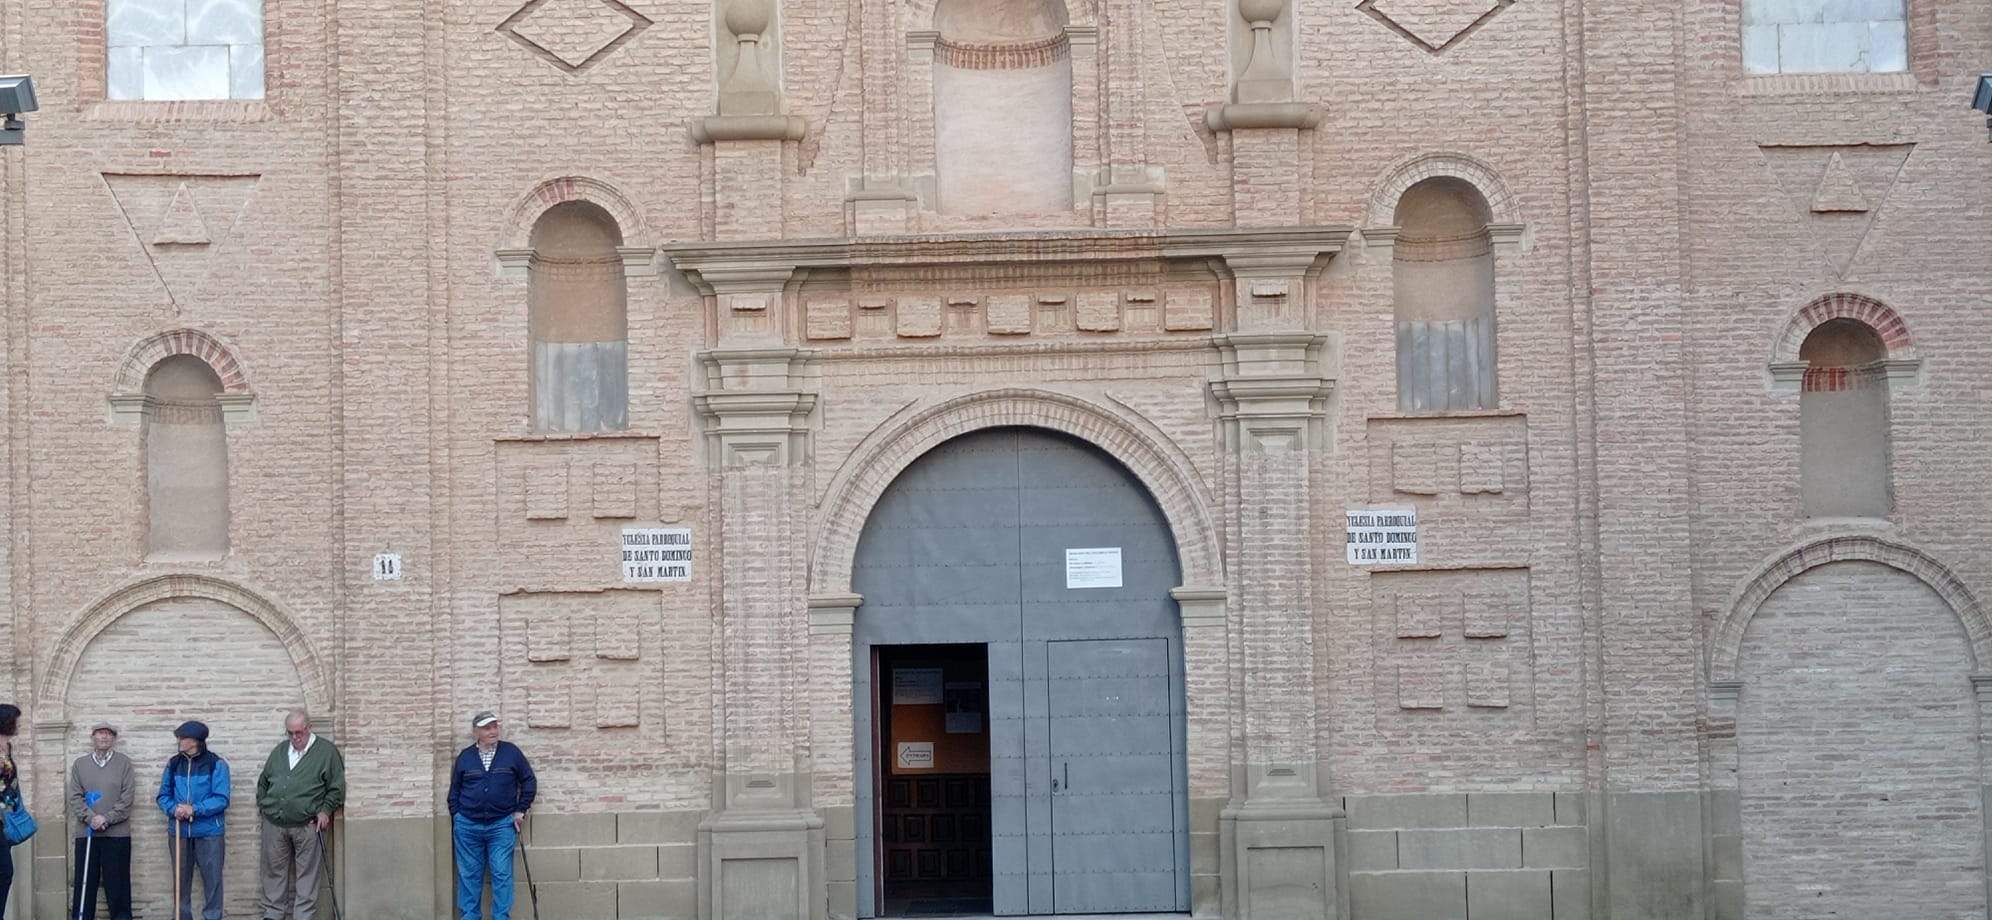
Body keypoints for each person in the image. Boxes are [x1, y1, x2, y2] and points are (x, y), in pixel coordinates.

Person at [447, 711, 538, 920]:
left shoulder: (511, 753)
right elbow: (455, 789)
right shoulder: (466, 757)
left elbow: (529, 781)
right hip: (468, 825)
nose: (493, 731)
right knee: (469, 875)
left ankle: (501, 917)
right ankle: (470, 916)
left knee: (501, 874)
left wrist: (521, 809)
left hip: (501, 825)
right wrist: (457, 815)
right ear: (476, 732)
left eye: (495, 726)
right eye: (487, 728)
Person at [255, 710, 344, 920]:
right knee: (273, 872)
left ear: (309, 727)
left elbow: (336, 787)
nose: (295, 737)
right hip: (274, 824)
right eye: (290, 733)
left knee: (307, 876)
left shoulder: (326, 752)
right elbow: (264, 781)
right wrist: (264, 805)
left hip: (309, 825)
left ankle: (302, 917)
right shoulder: (279, 751)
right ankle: (272, 915)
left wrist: (326, 810)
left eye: (299, 732)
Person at [157, 721, 229, 920]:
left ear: (196, 741)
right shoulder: (173, 763)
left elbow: (221, 798)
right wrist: (174, 809)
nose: (179, 741)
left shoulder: (217, 764)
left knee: (213, 881)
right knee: (180, 881)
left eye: (183, 738)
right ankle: (181, 916)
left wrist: (194, 809)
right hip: (179, 831)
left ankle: (213, 917)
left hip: (209, 833)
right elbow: (163, 795)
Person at [68, 722, 136, 920]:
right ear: (93, 737)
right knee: (84, 883)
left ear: (113, 738)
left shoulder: (124, 763)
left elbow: (127, 798)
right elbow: (75, 796)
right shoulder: (80, 764)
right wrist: (91, 818)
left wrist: (106, 819)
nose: (104, 737)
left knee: (118, 885)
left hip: (117, 835)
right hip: (86, 834)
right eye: (100, 734)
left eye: (108, 734)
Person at [0, 703, 22, 920]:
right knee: (5, 872)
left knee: (5, 873)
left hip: (3, 819)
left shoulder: (8, 748)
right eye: (16, 720)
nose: (19, 725)